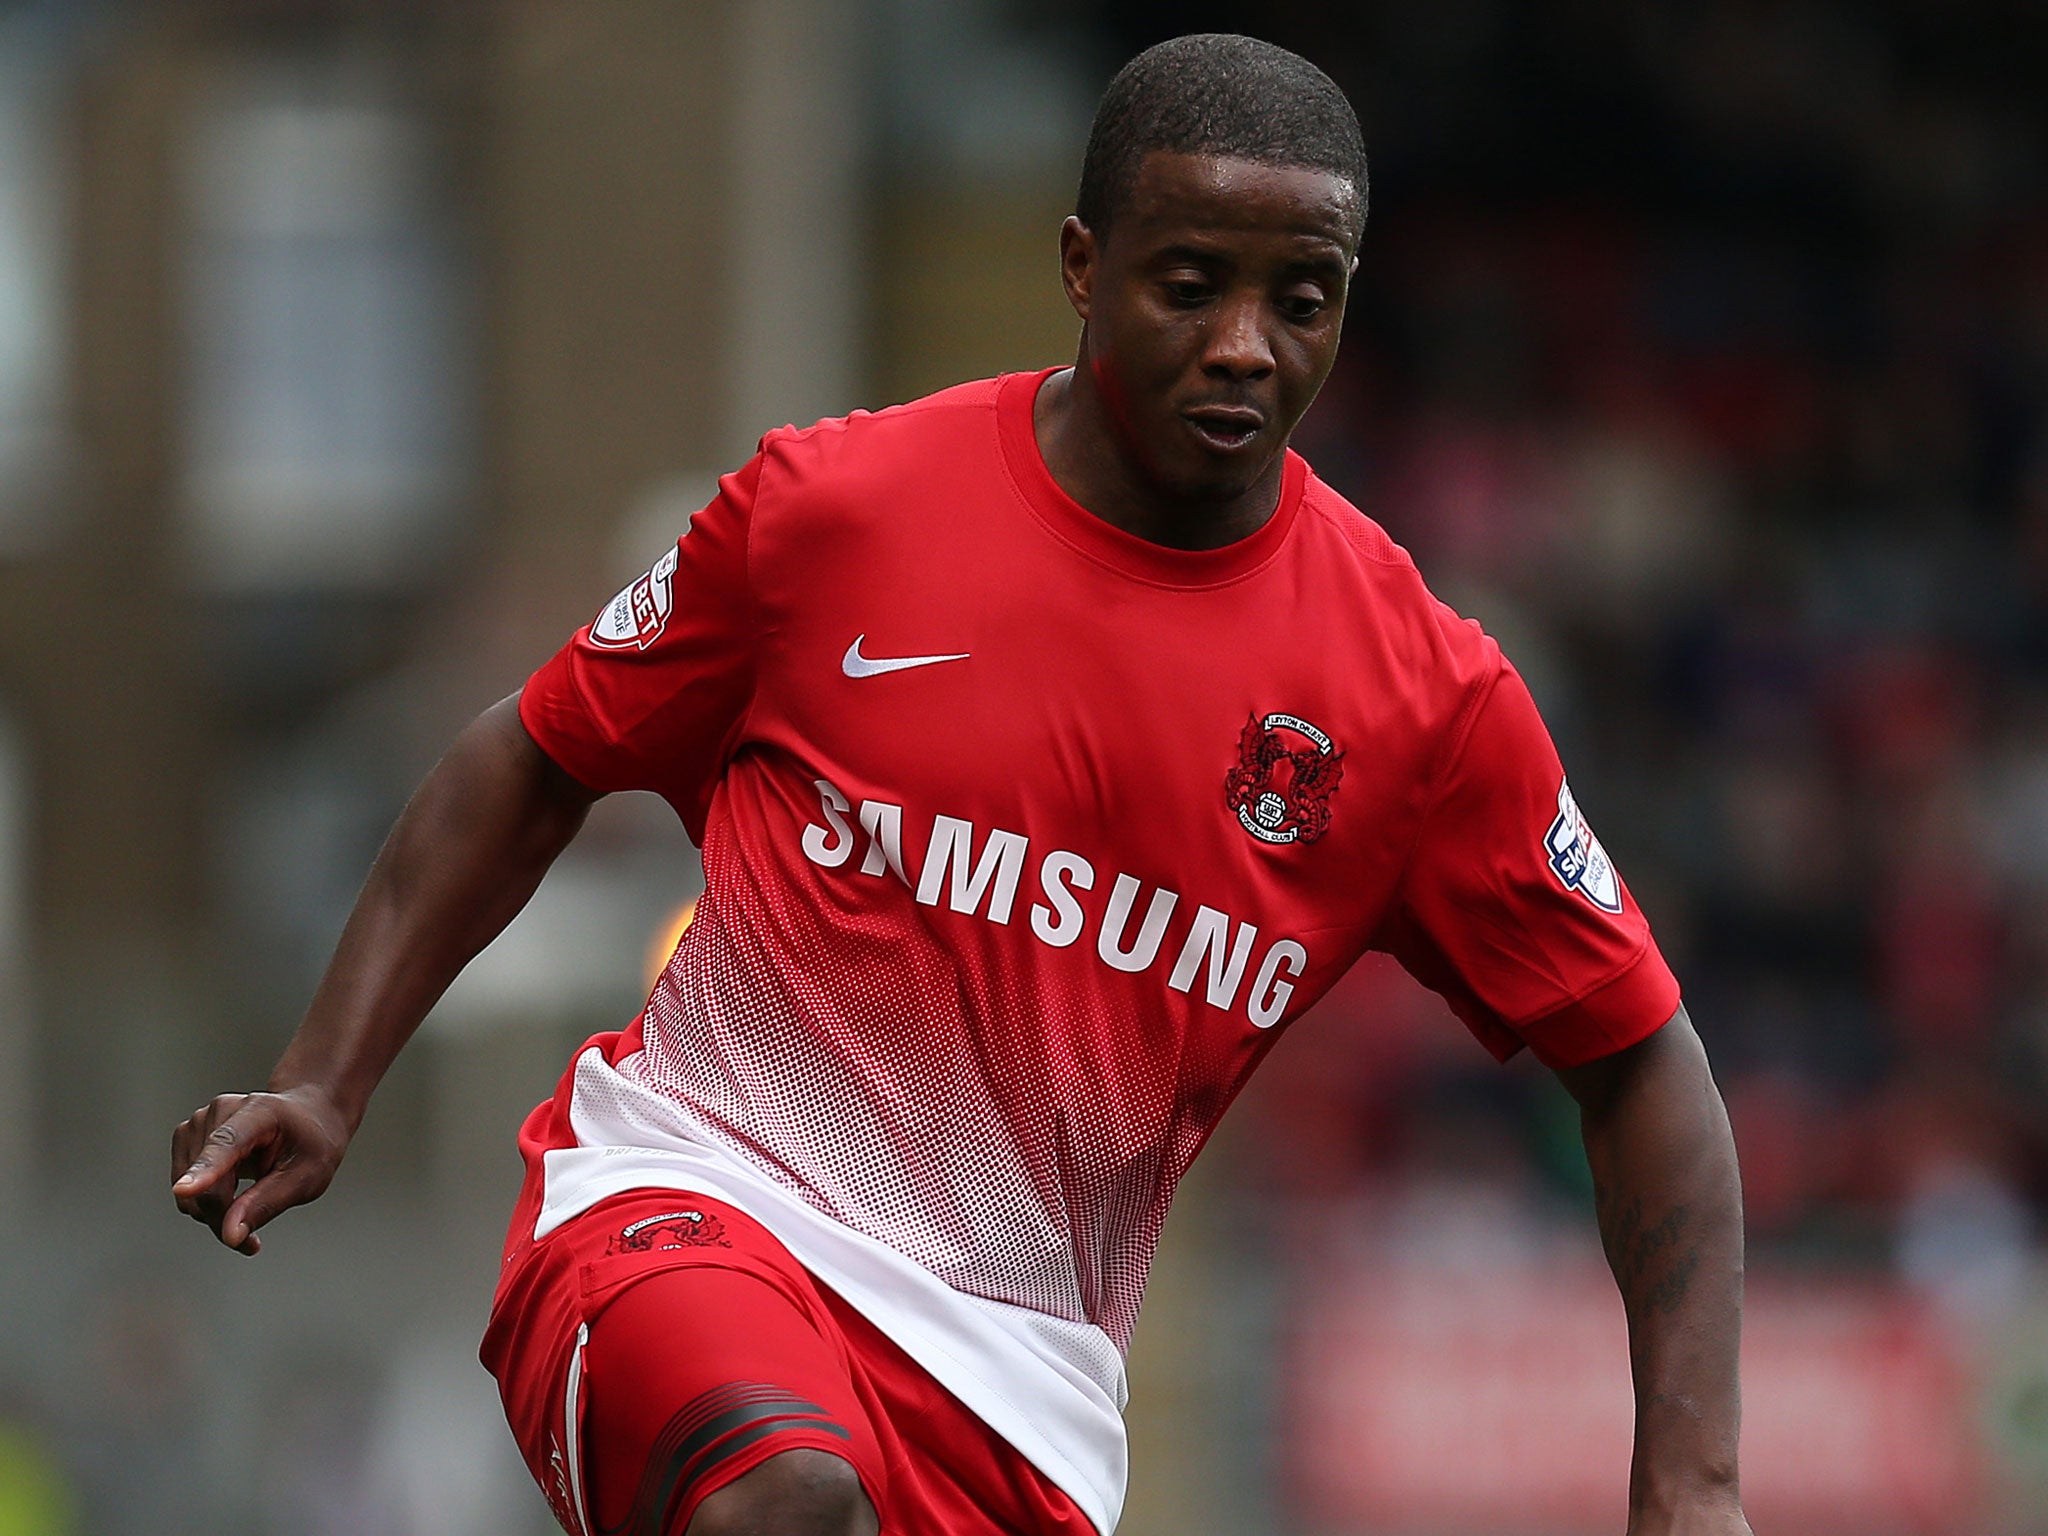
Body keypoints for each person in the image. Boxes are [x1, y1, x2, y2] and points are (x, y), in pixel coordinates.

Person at [171, 33, 1751, 1536]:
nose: (1245, 346)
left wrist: (1688, 1482)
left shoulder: (1420, 700)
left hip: (1018, 1401)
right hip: (697, 1209)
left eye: (1305, 299)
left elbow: (1642, 1066)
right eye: (1190, 286)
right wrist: (328, 1074)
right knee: (782, 1500)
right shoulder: (833, 512)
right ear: (1081, 267)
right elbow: (532, 759)